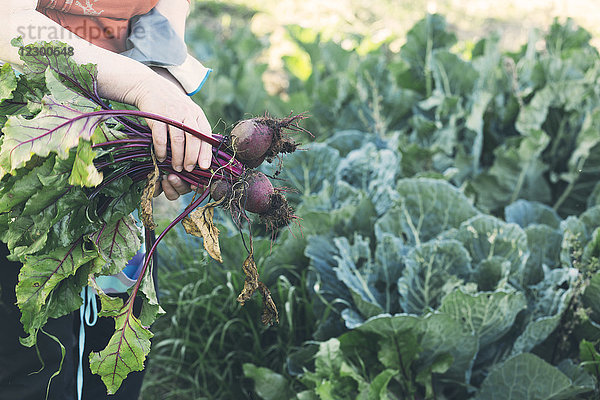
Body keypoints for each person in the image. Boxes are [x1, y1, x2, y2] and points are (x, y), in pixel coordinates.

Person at [0, 0, 213, 398]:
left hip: (113, 146)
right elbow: (7, 21)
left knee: (110, 338)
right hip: (22, 143)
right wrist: (139, 85)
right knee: (31, 357)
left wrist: (162, 77)